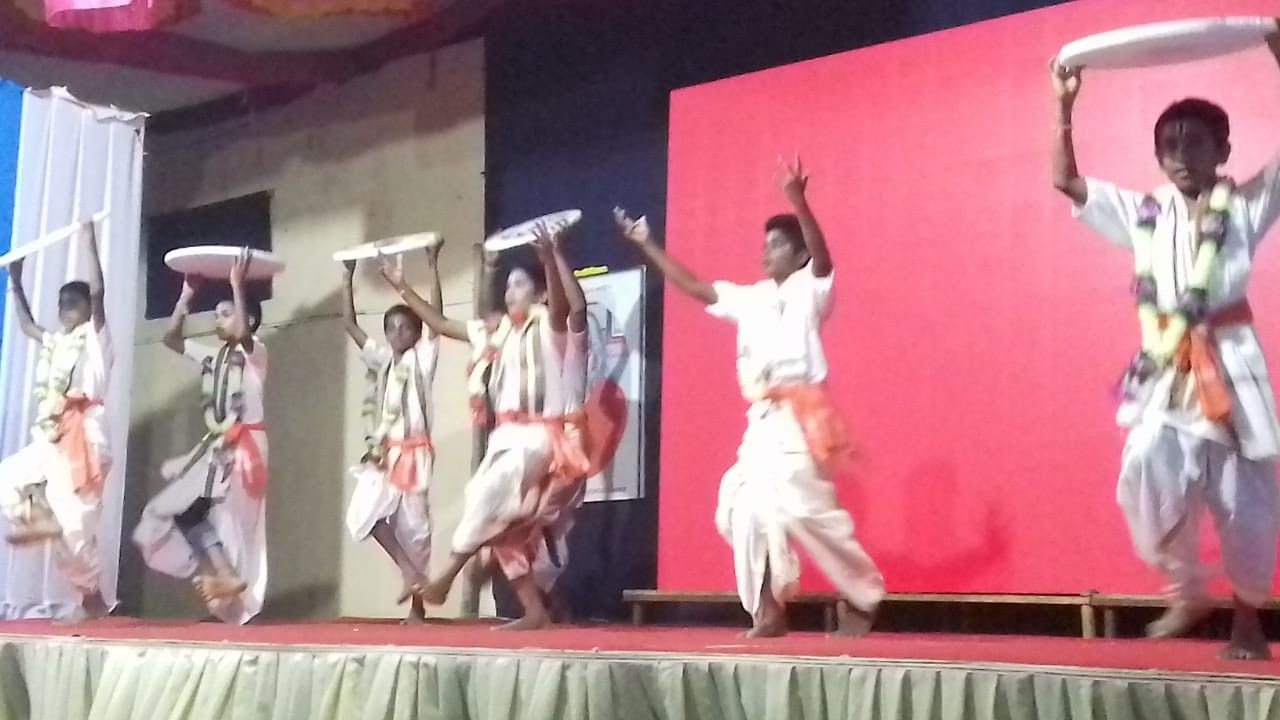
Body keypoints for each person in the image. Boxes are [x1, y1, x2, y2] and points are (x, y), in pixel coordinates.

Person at [1050, 27, 1280, 660]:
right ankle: (1187, 586)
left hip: (1231, 365)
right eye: (1168, 145)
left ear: (1223, 148)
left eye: (1194, 142)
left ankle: (1246, 621)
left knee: (1242, 499)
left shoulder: (1249, 203)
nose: (1179, 154)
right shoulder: (1142, 210)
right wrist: (1063, 106)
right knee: (1145, 470)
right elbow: (1066, 182)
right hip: (1164, 370)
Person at [616, 157, 884, 637]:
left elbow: (824, 260)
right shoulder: (750, 297)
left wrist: (798, 202)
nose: (766, 252)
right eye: (765, 245)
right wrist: (644, 244)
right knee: (739, 508)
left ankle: (863, 595)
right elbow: (694, 287)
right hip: (761, 424)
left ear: (798, 256)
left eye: (778, 245)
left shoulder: (811, 288)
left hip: (803, 417)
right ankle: (768, 609)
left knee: (804, 509)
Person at [405, 230, 587, 629]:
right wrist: (400, 285)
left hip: (545, 442)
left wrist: (550, 258)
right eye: (507, 286)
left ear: (539, 294)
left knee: (491, 492)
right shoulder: (496, 333)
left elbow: (569, 307)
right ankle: (535, 612)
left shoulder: (551, 330)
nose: (509, 292)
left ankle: (445, 578)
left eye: (520, 284)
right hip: (506, 440)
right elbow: (438, 323)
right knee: (498, 522)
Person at [133, 250, 270, 624]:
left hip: (246, 450)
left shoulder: (255, 355)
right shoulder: (214, 357)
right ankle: (225, 583)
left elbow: (243, 333)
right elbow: (171, 339)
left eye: (225, 313)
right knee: (189, 512)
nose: (218, 320)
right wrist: (185, 297)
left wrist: (237, 286)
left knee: (235, 525)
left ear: (249, 319)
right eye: (217, 314)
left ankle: (235, 605)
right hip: (218, 447)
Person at [0, 220, 111, 622]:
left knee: (76, 530)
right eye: (62, 301)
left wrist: (89, 243)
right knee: (6, 480)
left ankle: (91, 599)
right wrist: (16, 282)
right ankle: (41, 517)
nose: (65, 306)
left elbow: (99, 293)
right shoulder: (58, 340)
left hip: (83, 439)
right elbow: (29, 326)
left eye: (73, 301)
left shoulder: (96, 340)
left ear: (86, 307)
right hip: (50, 436)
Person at [339, 245, 442, 624]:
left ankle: (417, 609)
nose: (399, 333)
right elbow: (350, 325)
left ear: (416, 333)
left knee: (415, 530)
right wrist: (347, 276)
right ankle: (408, 571)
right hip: (383, 456)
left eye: (406, 327)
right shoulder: (382, 361)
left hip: (413, 455)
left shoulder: (423, 358)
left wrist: (432, 266)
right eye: (392, 328)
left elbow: (437, 319)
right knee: (362, 516)